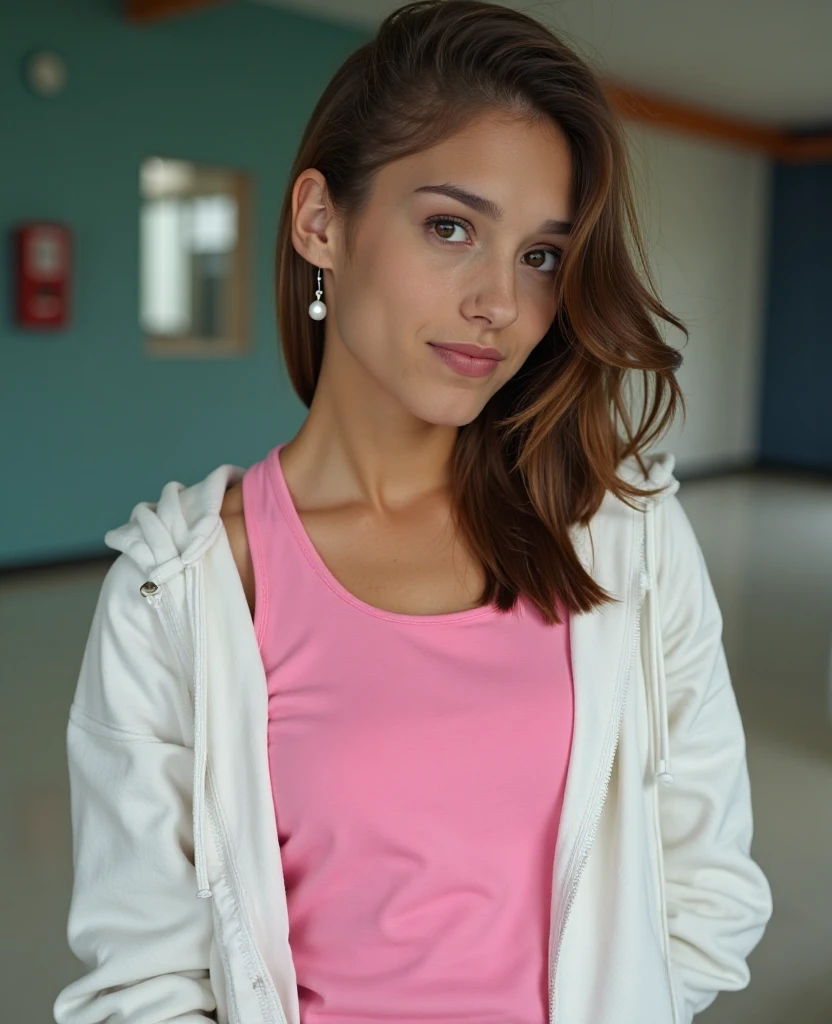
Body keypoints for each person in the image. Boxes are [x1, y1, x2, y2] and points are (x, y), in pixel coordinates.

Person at [53, 2, 772, 1022]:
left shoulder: (627, 536)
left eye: (539, 256)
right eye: (450, 228)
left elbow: (707, 892)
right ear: (320, 222)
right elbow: (143, 981)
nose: (501, 304)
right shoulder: (180, 590)